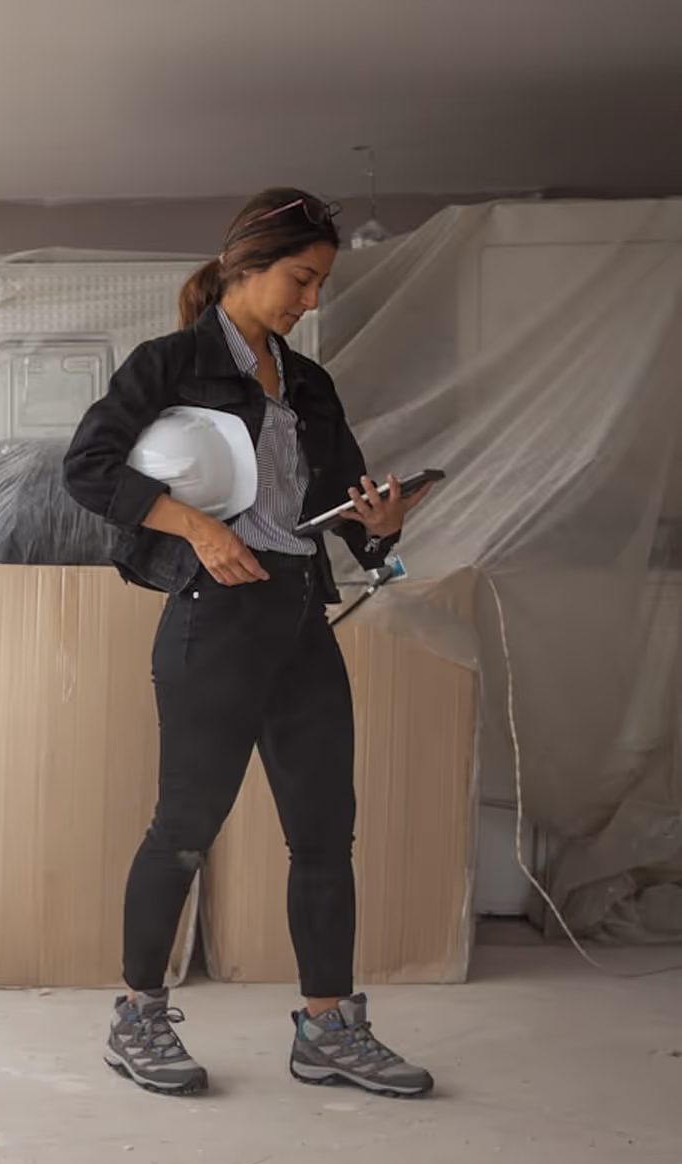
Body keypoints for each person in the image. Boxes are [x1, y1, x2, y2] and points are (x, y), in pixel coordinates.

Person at [64, 187, 436, 1098]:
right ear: (246, 264)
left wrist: (378, 521)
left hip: (301, 619)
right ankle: (137, 1017)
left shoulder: (308, 384)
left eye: (319, 286)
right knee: (184, 830)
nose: (308, 302)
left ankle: (327, 1028)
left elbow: (346, 511)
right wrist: (195, 527)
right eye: (299, 280)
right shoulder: (172, 363)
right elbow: (88, 466)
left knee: (323, 837)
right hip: (212, 617)